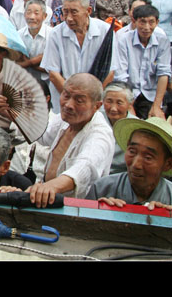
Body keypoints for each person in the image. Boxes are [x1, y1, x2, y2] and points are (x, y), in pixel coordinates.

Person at [26, 73, 115, 206]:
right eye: (66, 96)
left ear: (96, 106)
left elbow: (84, 167)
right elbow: (43, 136)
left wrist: (50, 187)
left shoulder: (100, 134)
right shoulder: (65, 119)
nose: (68, 105)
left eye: (79, 101)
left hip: (79, 210)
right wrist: (13, 111)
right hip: (48, 201)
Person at [41, 0, 118, 113]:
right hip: (64, 102)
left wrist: (90, 101)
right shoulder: (56, 34)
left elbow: (109, 72)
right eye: (65, 11)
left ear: (88, 10)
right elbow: (54, 74)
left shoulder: (105, 32)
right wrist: (74, 100)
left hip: (93, 104)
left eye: (74, 12)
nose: (69, 18)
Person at [87, 117, 172, 210]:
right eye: (132, 152)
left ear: (168, 164)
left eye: (148, 158)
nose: (136, 165)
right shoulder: (101, 189)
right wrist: (101, 212)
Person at [114, 3, 171, 120]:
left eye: (151, 22)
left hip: (151, 95)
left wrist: (156, 106)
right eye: (142, 22)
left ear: (157, 22)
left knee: (155, 127)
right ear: (134, 21)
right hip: (128, 93)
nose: (146, 27)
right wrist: (129, 105)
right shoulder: (124, 40)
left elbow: (163, 73)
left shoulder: (162, 41)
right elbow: (121, 76)